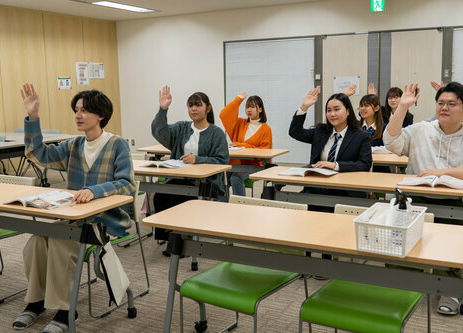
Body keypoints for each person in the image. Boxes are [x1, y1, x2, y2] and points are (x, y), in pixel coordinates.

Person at [15, 84, 135, 332]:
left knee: (61, 244)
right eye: (76, 110)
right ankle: (36, 303)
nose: (78, 115)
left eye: (84, 110)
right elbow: (38, 154)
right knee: (37, 241)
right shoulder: (74, 145)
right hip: (72, 218)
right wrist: (33, 117)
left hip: (105, 221)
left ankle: (65, 310)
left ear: (100, 115)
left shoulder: (117, 145)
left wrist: (95, 191)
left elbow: (127, 185)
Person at [383, 82, 463, 315]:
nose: (445, 108)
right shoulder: (422, 129)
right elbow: (391, 142)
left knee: (452, 243)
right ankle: (402, 285)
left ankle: (449, 289)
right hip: (414, 198)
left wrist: (442, 173)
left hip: (452, 202)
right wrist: (402, 108)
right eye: (441, 103)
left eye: (452, 104)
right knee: (401, 242)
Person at [151, 86, 229, 255]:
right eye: (190, 105)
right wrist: (163, 110)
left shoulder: (217, 133)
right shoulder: (182, 128)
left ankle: (180, 242)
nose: (193, 109)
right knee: (161, 196)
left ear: (207, 108)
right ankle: (171, 238)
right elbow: (158, 131)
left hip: (206, 183)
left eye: (198, 105)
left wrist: (198, 160)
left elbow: (222, 160)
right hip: (180, 178)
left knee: (180, 198)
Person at [289, 87, 372, 210]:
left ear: (348, 111)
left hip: (344, 191)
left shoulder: (361, 136)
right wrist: (304, 107)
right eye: (328, 110)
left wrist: (335, 165)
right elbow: (295, 132)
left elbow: (364, 164)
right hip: (316, 188)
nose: (332, 114)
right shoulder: (321, 131)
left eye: (337, 109)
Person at [219, 93, 272, 196]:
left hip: (254, 165)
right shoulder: (240, 123)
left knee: (235, 178)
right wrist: (238, 100)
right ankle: (223, 205)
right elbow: (223, 115)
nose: (249, 110)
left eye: (252, 107)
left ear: (260, 109)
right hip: (236, 163)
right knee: (221, 177)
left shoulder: (266, 129)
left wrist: (240, 145)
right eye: (247, 107)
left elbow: (265, 151)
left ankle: (240, 205)